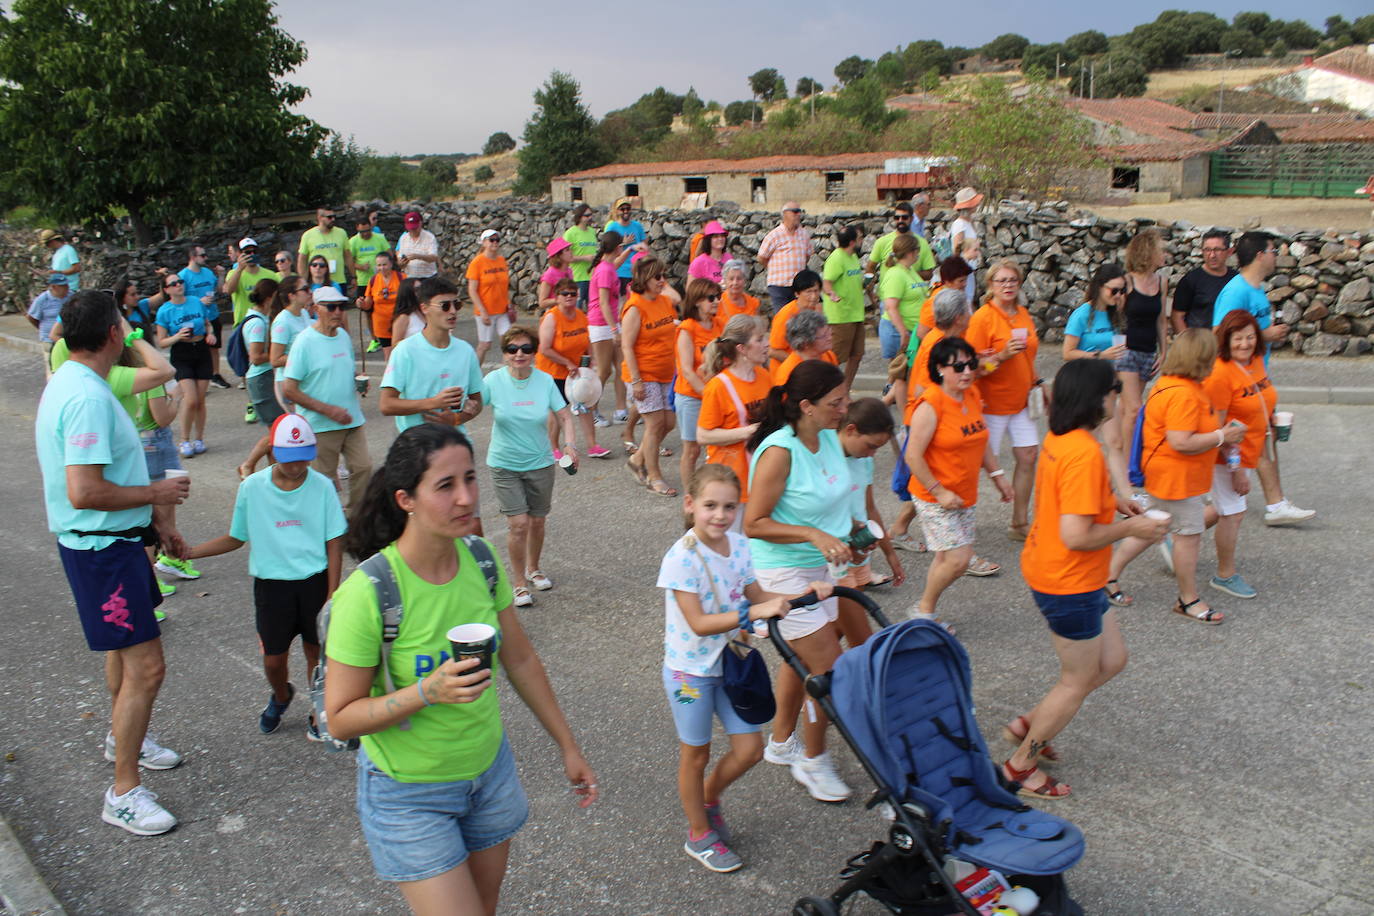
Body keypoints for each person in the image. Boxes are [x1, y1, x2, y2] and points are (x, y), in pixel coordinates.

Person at [324, 424, 597, 914]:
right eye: (446, 486)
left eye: (470, 479)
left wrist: (568, 745)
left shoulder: (482, 559)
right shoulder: (369, 594)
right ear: (405, 499)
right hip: (409, 795)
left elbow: (519, 658)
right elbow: (340, 718)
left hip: (489, 775)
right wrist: (426, 692)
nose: (467, 498)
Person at [35, 289, 190, 836]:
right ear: (112, 335)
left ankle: (122, 737)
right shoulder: (88, 398)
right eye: (125, 325)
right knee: (147, 668)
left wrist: (155, 521)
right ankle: (123, 791)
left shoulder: (80, 384)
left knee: (128, 664)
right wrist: (160, 490)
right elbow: (85, 491)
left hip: (118, 545)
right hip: (102, 550)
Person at [1004, 358, 1170, 800]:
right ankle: (1020, 765)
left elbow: (1070, 504)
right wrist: (1133, 529)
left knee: (1112, 661)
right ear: (1097, 398)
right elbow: (1076, 535)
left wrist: (1117, 503)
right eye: (1114, 387)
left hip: (1069, 573)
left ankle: (1029, 724)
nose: (1118, 394)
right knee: (1076, 682)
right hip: (1067, 580)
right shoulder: (1082, 453)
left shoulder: (1066, 439)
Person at [658, 464, 818, 873]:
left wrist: (802, 595)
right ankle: (698, 833)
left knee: (749, 750)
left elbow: (757, 594)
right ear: (691, 504)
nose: (720, 515)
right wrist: (753, 611)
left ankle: (709, 799)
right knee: (695, 754)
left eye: (730, 507)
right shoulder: (682, 559)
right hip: (689, 673)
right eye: (710, 505)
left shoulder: (740, 546)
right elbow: (698, 622)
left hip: (732, 662)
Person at [186, 414, 346, 737]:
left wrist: (332, 594)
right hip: (272, 589)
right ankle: (282, 694)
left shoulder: (323, 487)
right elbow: (235, 538)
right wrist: (190, 552)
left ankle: (319, 709)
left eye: (303, 458)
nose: (297, 466)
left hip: (314, 583)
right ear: (272, 453)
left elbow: (334, 543)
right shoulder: (252, 488)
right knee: (274, 661)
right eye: (289, 459)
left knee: (317, 654)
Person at [744, 359, 853, 802]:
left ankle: (781, 743)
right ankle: (814, 760)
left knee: (802, 661)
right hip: (779, 570)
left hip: (820, 567)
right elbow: (753, 523)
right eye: (836, 402)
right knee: (827, 669)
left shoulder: (827, 438)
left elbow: (835, 495)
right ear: (806, 406)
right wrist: (812, 533)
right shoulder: (779, 451)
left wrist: (850, 538)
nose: (844, 409)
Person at [905, 337, 1014, 629]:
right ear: (940, 368)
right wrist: (938, 491)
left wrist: (998, 476)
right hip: (935, 496)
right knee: (959, 558)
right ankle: (923, 610)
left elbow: (981, 439)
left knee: (947, 558)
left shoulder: (971, 394)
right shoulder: (930, 405)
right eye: (959, 367)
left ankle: (925, 611)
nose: (967, 372)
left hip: (965, 493)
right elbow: (912, 456)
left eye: (971, 364)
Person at [1140, 329, 1245, 625]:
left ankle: (1109, 577)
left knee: (1152, 527)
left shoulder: (1170, 382)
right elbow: (1181, 441)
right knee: (1187, 539)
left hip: (1169, 473)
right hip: (1177, 477)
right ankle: (1188, 600)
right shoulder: (1185, 393)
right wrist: (1222, 436)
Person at [1210, 231, 1313, 527]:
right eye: (1272, 250)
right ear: (1259, 255)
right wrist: (1265, 335)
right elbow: (1220, 333)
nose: (1275, 256)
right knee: (1257, 439)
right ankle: (1274, 503)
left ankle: (1275, 501)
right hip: (1239, 381)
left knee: (1265, 438)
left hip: (1257, 375)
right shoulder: (1236, 291)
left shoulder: (1255, 289)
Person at [483, 325, 578, 608]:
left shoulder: (545, 381)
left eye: (525, 348)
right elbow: (470, 407)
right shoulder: (492, 381)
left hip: (540, 462)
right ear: (504, 354)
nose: (519, 354)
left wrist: (570, 446)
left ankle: (533, 568)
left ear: (534, 353)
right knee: (518, 524)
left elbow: (565, 416)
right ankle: (519, 583)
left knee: (537, 520)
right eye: (512, 349)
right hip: (504, 463)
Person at [1198, 310, 1277, 601]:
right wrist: (1238, 471)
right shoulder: (1219, 373)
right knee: (1234, 512)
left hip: (1249, 450)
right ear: (1226, 339)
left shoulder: (1255, 361)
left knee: (1223, 508)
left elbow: (1260, 397)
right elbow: (1218, 429)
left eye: (1250, 337)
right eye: (1238, 338)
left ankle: (1175, 535)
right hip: (1228, 456)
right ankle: (1225, 575)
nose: (1244, 343)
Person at [891, 288, 973, 553]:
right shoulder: (939, 345)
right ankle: (958, 553)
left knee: (926, 482)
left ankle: (901, 530)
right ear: (960, 316)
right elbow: (926, 391)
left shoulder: (942, 339)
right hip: (927, 422)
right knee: (928, 482)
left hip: (927, 419)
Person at [965, 259, 1041, 541]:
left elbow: (1030, 355)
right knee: (975, 465)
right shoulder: (983, 318)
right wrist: (1000, 356)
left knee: (1029, 455)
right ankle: (953, 523)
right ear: (990, 286)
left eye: (1013, 281)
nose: (1008, 286)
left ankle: (1020, 522)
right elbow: (970, 367)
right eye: (1002, 281)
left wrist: (1039, 382)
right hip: (991, 402)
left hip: (1021, 401)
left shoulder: (1022, 313)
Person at [281, 287, 373, 510]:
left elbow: (342, 370)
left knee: (364, 468)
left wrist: (357, 380)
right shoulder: (304, 342)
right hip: (321, 425)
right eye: (331, 307)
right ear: (314, 309)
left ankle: (355, 519)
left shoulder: (342, 336)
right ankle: (326, 526)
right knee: (323, 481)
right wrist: (328, 410)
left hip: (352, 419)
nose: (338, 312)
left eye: (341, 307)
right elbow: (289, 389)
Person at [834, 398, 905, 643]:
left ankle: (817, 668)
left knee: (841, 627)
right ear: (850, 430)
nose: (873, 454)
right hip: (836, 552)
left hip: (861, 550)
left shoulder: (864, 460)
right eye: (870, 445)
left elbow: (870, 507)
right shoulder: (824, 458)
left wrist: (890, 553)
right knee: (858, 631)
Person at [381, 276, 485, 436]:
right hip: (417, 448)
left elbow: (477, 401)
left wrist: (457, 418)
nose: (453, 311)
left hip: (455, 446)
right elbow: (386, 405)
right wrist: (433, 403)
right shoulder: (405, 350)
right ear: (424, 308)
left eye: (456, 304)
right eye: (445, 306)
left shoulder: (465, 351)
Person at [697, 315, 773, 523]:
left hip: (761, 476)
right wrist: (747, 431)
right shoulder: (718, 386)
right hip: (731, 483)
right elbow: (703, 435)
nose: (767, 344)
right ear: (741, 348)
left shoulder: (765, 376)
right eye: (759, 339)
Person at [238, 276, 314, 479]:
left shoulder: (303, 314)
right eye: (305, 288)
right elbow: (260, 358)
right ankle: (251, 465)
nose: (310, 291)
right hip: (263, 379)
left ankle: (277, 473)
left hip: (276, 378)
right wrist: (301, 357)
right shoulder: (267, 322)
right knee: (279, 432)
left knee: (283, 431)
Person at [621, 256, 680, 496]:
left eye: (664, 275)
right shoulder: (634, 308)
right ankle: (654, 477)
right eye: (658, 277)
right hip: (643, 374)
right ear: (644, 279)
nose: (662, 281)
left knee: (669, 422)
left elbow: (677, 299)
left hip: (666, 371)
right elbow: (626, 346)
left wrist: (663, 286)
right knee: (655, 425)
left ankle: (637, 459)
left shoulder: (665, 301)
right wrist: (636, 380)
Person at [537, 278, 608, 458]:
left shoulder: (580, 315)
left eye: (573, 293)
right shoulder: (551, 317)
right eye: (565, 294)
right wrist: (566, 362)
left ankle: (593, 446)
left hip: (576, 372)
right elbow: (544, 349)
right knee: (557, 411)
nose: (569, 296)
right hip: (553, 372)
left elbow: (587, 341)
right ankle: (553, 448)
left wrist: (589, 361)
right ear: (557, 297)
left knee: (585, 405)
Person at [1116, 229, 1171, 463]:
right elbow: (1115, 317)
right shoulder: (1126, 282)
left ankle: (1116, 454)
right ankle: (1129, 469)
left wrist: (1164, 350)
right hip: (1126, 350)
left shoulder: (1162, 282)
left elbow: (1161, 320)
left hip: (1148, 351)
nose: (1164, 254)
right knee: (1135, 409)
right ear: (1148, 252)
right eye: (1161, 250)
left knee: (1127, 408)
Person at [153, 270, 217, 458]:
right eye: (173, 284)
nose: (178, 285)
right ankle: (184, 440)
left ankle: (199, 438)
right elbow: (162, 341)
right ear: (167, 290)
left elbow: (207, 323)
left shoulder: (195, 301)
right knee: (191, 399)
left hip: (201, 349)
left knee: (201, 399)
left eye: (180, 282)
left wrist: (210, 333)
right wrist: (177, 336)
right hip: (182, 352)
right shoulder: (165, 310)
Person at [673, 278, 722, 489]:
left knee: (717, 445)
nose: (717, 301)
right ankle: (690, 496)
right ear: (696, 301)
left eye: (718, 296)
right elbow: (686, 370)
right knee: (692, 450)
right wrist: (708, 394)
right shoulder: (687, 329)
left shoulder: (720, 325)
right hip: (691, 397)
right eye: (711, 298)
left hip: (714, 394)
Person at [588, 231, 629, 425]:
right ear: (616, 247)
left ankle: (621, 410)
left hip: (611, 323)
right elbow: (603, 303)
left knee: (621, 367)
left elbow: (616, 264)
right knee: (604, 371)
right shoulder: (604, 270)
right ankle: (591, 409)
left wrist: (630, 250)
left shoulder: (607, 266)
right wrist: (614, 329)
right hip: (601, 324)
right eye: (621, 246)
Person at [178, 244, 230, 390]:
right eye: (202, 255)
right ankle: (195, 378)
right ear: (193, 257)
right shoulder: (183, 276)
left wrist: (221, 275)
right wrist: (198, 302)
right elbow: (179, 299)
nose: (206, 258)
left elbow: (219, 289)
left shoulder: (207, 272)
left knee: (214, 346)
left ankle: (215, 374)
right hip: (194, 318)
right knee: (196, 348)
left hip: (212, 314)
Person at [821, 225, 867, 387]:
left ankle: (844, 389)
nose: (863, 241)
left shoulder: (853, 257)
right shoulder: (836, 258)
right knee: (836, 357)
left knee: (856, 355)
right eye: (860, 238)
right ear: (853, 242)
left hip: (856, 314)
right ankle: (825, 388)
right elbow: (827, 282)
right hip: (841, 317)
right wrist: (831, 294)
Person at [878, 234, 930, 361]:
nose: (919, 253)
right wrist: (903, 333)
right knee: (899, 374)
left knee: (908, 374)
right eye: (918, 249)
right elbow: (891, 307)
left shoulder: (909, 270)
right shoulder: (895, 274)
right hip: (899, 332)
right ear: (911, 252)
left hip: (913, 330)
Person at [1062, 264, 1128, 363]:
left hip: (1111, 375)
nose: (1118, 295)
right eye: (1114, 291)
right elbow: (1067, 354)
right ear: (1099, 287)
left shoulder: (1116, 313)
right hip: (1087, 374)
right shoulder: (1081, 314)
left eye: (1122, 290)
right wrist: (1101, 355)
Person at [468, 229, 515, 366]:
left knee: (508, 342)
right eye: (491, 240)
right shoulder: (477, 263)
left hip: (502, 310)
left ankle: (506, 373)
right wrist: (482, 311)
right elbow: (472, 290)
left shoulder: (501, 260)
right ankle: (474, 374)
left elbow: (504, 285)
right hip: (486, 310)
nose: (495, 243)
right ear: (483, 243)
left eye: (497, 240)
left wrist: (509, 303)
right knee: (485, 344)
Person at [1172, 230, 1235, 333]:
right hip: (1199, 345)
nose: (1212, 255)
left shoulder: (1235, 280)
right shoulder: (1190, 280)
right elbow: (1177, 317)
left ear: (1229, 252)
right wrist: (1189, 344)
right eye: (1207, 250)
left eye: (1217, 250)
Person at [757, 202, 811, 316]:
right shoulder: (774, 235)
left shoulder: (804, 234)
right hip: (779, 285)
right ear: (785, 214)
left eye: (799, 211)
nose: (798, 215)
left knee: (799, 319)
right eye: (795, 211)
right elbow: (761, 257)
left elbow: (807, 255)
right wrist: (774, 268)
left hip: (798, 286)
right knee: (783, 318)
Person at [866, 201, 935, 284]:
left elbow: (929, 274)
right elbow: (870, 267)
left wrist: (907, 273)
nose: (900, 220)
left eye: (904, 217)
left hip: (912, 294)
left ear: (912, 219)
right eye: (897, 217)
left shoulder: (922, 243)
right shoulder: (882, 242)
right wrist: (870, 289)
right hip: (888, 294)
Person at [768, 269, 824, 365]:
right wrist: (801, 363)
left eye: (816, 291)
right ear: (797, 294)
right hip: (789, 370)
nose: (814, 296)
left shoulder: (817, 310)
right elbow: (773, 351)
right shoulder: (785, 315)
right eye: (809, 292)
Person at [224, 237, 280, 326]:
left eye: (255, 252)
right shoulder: (233, 274)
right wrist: (239, 269)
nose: (252, 254)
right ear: (240, 254)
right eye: (247, 252)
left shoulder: (270, 275)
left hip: (265, 322)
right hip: (243, 323)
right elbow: (229, 290)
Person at [775, 309, 837, 384]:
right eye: (823, 336)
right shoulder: (788, 375)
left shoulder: (829, 356)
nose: (830, 338)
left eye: (828, 331)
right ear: (805, 343)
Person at [297, 207, 353, 289]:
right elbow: (302, 260)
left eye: (334, 217)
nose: (333, 219)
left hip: (339, 281)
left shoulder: (341, 233)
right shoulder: (308, 235)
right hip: (317, 282)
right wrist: (303, 280)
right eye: (329, 217)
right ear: (320, 218)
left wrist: (353, 276)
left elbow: (348, 256)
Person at [361, 250, 402, 360]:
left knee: (401, 355)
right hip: (381, 325)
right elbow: (368, 305)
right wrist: (361, 303)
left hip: (399, 323)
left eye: (385, 264)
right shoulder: (373, 280)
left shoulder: (401, 278)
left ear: (391, 264)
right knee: (388, 357)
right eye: (379, 265)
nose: (382, 268)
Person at [27, 273, 70, 374]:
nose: (66, 288)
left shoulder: (71, 296)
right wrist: (42, 329)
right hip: (49, 339)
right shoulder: (42, 299)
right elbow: (31, 317)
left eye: (66, 285)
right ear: (54, 287)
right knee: (52, 368)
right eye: (63, 286)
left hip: (66, 338)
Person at [605, 198, 648, 294]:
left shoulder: (637, 226)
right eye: (622, 209)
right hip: (620, 270)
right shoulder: (612, 227)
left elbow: (645, 244)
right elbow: (607, 248)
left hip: (636, 271)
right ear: (617, 211)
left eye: (628, 208)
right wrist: (624, 242)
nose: (625, 211)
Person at [949, 189, 983, 308]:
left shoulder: (968, 222)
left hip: (969, 268)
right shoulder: (960, 224)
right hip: (963, 269)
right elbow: (957, 249)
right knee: (965, 301)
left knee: (968, 299)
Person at [563, 203, 600, 309]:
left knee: (592, 306)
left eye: (590, 215)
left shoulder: (592, 232)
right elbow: (565, 257)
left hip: (592, 276)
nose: (590, 218)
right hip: (577, 276)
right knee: (577, 307)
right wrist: (585, 258)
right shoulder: (570, 233)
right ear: (579, 217)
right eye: (587, 216)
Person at [347, 211, 391, 299]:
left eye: (367, 230)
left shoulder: (380, 238)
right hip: (363, 280)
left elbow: (390, 255)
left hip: (381, 278)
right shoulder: (353, 241)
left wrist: (384, 266)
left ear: (371, 226)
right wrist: (360, 267)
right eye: (362, 232)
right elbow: (349, 261)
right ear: (357, 229)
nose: (365, 233)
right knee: (365, 306)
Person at [396, 211, 441, 281]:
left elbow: (434, 257)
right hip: (410, 278)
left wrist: (418, 256)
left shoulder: (430, 237)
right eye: (411, 228)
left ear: (420, 223)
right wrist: (402, 263)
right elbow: (400, 259)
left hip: (428, 277)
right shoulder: (403, 238)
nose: (413, 231)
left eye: (415, 228)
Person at [717, 260, 759, 327]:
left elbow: (757, 328)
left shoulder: (753, 302)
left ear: (745, 280)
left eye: (739, 278)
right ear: (725, 281)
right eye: (731, 279)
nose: (735, 283)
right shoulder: (718, 302)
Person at [538, 238, 574, 312]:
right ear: (559, 255)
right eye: (567, 250)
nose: (571, 252)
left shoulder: (569, 271)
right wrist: (560, 299)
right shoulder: (550, 274)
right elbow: (542, 303)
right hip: (554, 315)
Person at [389, 278, 424, 347]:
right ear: (408, 293)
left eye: (422, 288)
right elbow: (395, 344)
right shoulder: (403, 317)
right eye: (417, 289)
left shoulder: (424, 311)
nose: (422, 292)